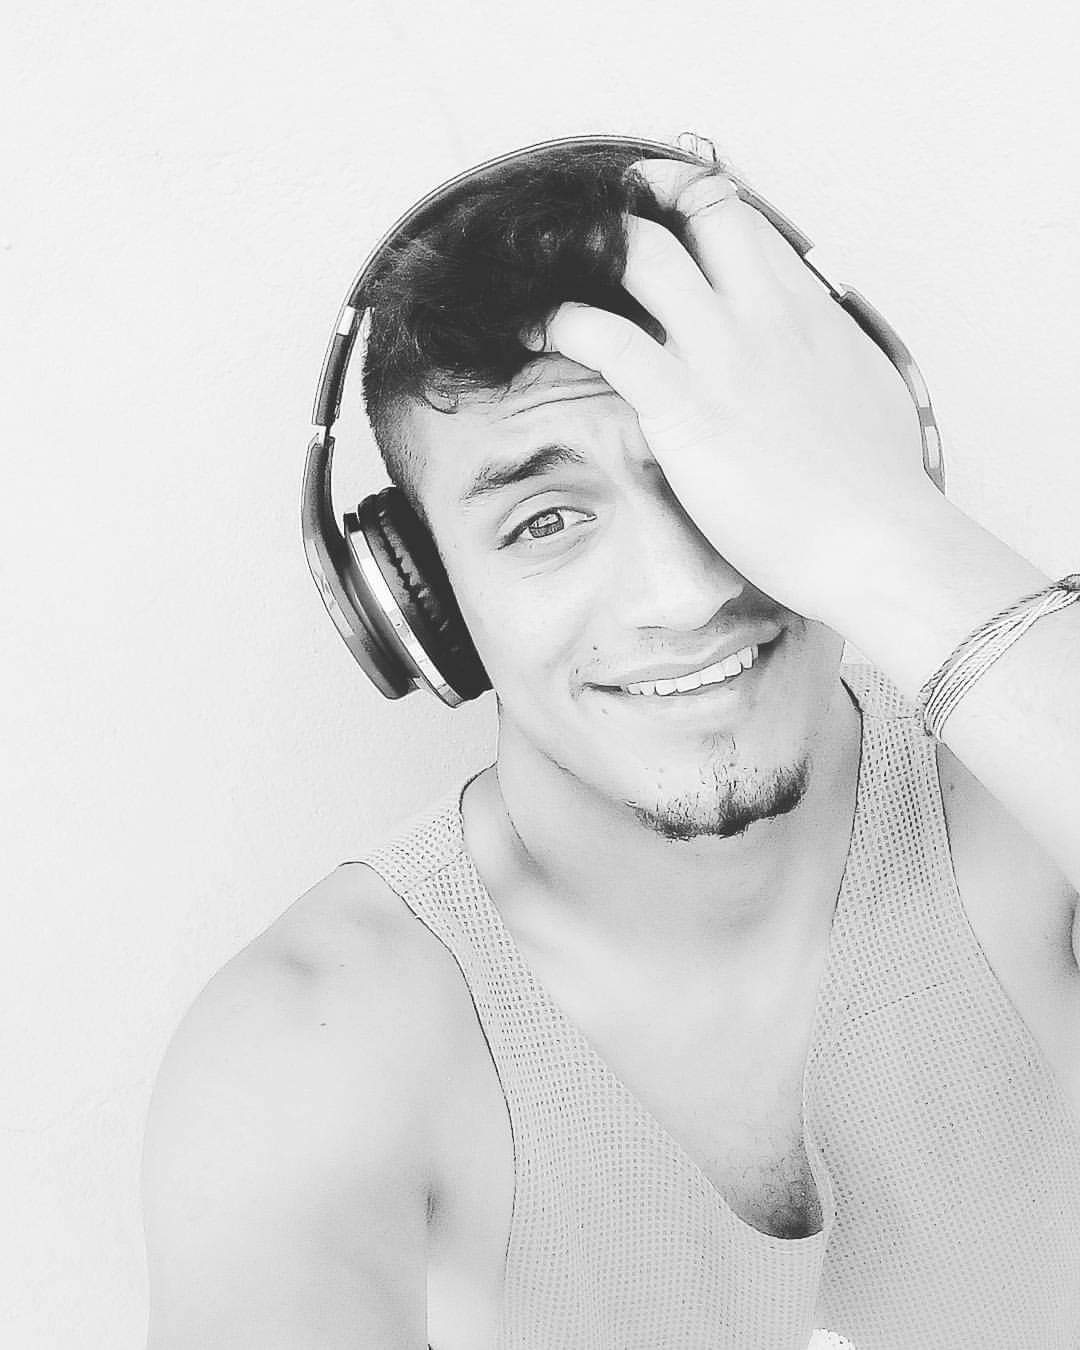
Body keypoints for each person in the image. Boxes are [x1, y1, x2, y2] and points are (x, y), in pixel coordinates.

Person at [141, 139, 1080, 1349]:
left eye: (718, 478)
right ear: (423, 604)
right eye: (545, 520)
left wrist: (887, 535)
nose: (682, 595)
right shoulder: (306, 1056)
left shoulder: (1026, 806)